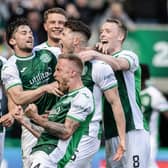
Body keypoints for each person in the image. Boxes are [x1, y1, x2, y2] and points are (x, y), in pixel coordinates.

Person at [79, 18, 150, 168]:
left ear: (121, 36)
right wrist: (93, 51)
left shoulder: (129, 55)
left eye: (108, 31)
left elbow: (118, 64)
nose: (103, 35)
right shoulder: (98, 61)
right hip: (111, 131)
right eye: (101, 32)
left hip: (133, 129)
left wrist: (95, 54)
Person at [60, 19, 126, 168]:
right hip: (64, 129)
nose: (60, 38)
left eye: (64, 34)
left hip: (86, 132)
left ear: (76, 40)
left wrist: (122, 140)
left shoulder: (99, 66)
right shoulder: (63, 64)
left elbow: (115, 103)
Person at [13, 54, 95, 168]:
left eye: (59, 70)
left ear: (72, 73)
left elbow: (66, 132)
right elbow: (47, 136)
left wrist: (36, 117)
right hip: (43, 154)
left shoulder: (82, 96)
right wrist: (24, 120)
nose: (54, 74)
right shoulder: (64, 98)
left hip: (52, 158)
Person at [1, 18, 63, 167]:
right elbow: (17, 96)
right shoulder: (10, 67)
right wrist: (44, 88)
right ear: (12, 41)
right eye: (23, 33)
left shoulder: (49, 53)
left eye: (30, 32)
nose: (29, 35)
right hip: (32, 125)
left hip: (57, 121)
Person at [140, 64, 168, 168]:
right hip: (131, 138)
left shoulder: (154, 94)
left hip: (149, 139)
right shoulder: (129, 93)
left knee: (148, 164)